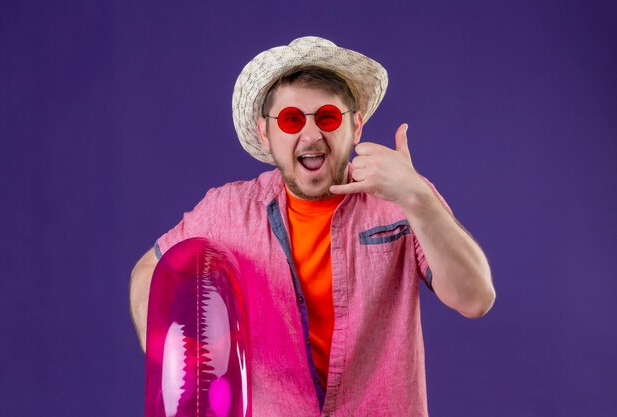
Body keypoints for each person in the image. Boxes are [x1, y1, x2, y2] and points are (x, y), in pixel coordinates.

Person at [130, 36, 495, 416]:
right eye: (290, 119)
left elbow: (475, 298)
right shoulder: (227, 211)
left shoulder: (402, 201)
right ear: (265, 133)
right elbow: (149, 270)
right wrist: (176, 353)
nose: (311, 135)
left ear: (354, 127)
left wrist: (417, 197)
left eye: (327, 118)